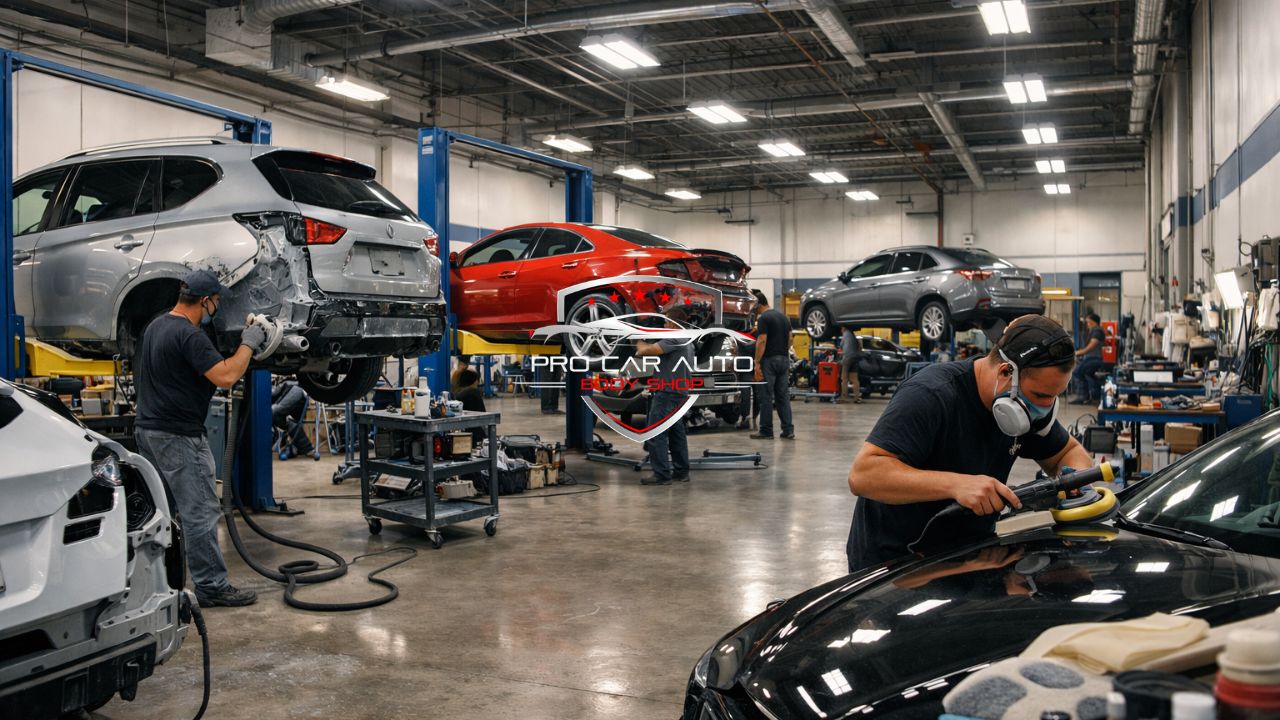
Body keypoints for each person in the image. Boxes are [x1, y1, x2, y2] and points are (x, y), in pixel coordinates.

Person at [844, 315, 1094, 573]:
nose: (1044, 408)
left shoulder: (1027, 410)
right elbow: (863, 475)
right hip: (894, 566)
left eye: (1054, 397)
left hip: (966, 559)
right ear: (1006, 372)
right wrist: (957, 484)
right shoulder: (930, 395)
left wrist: (1072, 481)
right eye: (1040, 395)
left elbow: (1069, 452)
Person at [133, 269, 270, 608]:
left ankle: (160, 580)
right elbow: (225, 376)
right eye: (217, 302)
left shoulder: (157, 326)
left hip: (148, 432)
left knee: (164, 512)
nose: (217, 308)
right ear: (205, 301)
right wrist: (249, 343)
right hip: (178, 436)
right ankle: (210, 586)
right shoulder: (188, 334)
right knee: (200, 513)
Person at [634, 313, 693, 486]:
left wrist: (637, 337)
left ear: (676, 324)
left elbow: (645, 351)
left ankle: (661, 474)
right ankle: (682, 472)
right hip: (679, 392)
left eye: (667, 321)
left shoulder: (675, 338)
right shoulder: (688, 338)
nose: (664, 324)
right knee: (676, 433)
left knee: (656, 433)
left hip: (667, 392)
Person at [750, 290, 795, 440]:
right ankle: (788, 430)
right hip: (783, 359)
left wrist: (757, 362)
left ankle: (766, 430)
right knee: (783, 396)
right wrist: (782, 350)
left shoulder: (764, 318)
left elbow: (762, 340)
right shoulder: (784, 317)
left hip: (768, 360)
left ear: (758, 304)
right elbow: (790, 339)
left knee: (766, 396)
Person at [271, 379, 315, 459]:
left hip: (296, 389)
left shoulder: (284, 384)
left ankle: (306, 448)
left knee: (272, 411)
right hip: (298, 395)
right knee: (283, 418)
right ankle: (306, 448)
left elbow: (274, 394)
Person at [1070, 313, 1107, 405]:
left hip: (1094, 359)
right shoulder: (1094, 331)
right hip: (1092, 358)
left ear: (1093, 322)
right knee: (1088, 374)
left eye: (1088, 322)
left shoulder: (1097, 330)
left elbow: (1092, 345)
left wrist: (1078, 353)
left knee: (1077, 372)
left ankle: (1082, 396)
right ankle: (1096, 395)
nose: (1087, 324)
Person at [453, 368, 487, 442]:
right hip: (475, 433)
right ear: (475, 381)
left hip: (459, 431)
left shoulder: (457, 394)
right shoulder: (474, 393)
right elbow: (483, 415)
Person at [838, 326, 862, 404]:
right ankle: (857, 398)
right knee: (854, 379)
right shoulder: (853, 335)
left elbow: (841, 346)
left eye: (841, 329)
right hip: (855, 358)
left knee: (844, 379)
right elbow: (859, 346)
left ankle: (844, 398)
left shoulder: (845, 334)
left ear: (843, 328)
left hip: (847, 358)